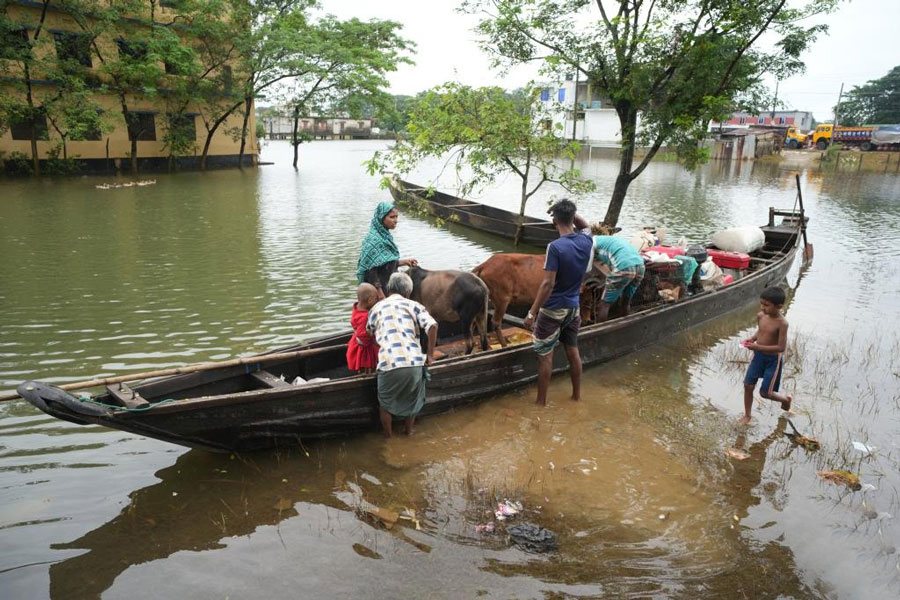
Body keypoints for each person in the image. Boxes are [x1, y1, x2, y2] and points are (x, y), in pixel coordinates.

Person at [524, 199, 593, 406]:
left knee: (546, 357)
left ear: (555, 221)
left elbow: (547, 284)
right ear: (572, 218)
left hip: (553, 309)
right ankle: (576, 396)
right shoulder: (586, 240)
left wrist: (531, 313)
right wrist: (569, 211)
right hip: (574, 308)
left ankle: (541, 403)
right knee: (573, 351)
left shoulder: (555, 247)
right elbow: (586, 225)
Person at [366, 272, 437, 437]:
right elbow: (433, 326)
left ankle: (389, 438)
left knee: (385, 404)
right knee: (413, 399)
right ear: (407, 292)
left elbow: (369, 333)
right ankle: (409, 432)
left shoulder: (376, 308)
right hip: (414, 362)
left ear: (389, 288)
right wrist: (430, 355)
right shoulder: (414, 306)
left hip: (389, 363)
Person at [739, 285, 792, 424]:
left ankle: (785, 400)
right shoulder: (761, 316)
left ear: (779, 307)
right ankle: (747, 415)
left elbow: (781, 347)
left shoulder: (782, 323)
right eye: (761, 303)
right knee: (748, 385)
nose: (763, 308)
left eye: (766, 305)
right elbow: (761, 331)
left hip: (772, 360)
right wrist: (752, 339)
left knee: (765, 393)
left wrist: (757, 346)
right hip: (758, 357)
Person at [357, 202, 418, 300]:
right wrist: (380, 295)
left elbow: (385, 264)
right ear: (381, 218)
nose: (396, 220)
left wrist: (405, 262)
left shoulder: (386, 236)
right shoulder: (373, 240)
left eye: (397, 217)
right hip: (378, 292)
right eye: (392, 217)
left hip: (389, 287)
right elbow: (371, 271)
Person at [592, 234, 646, 321]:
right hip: (640, 266)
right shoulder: (608, 241)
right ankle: (625, 324)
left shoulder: (591, 243)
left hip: (625, 267)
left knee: (604, 304)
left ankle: (600, 330)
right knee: (626, 301)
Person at [346, 283, 379, 374]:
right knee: (367, 369)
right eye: (376, 299)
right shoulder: (365, 317)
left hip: (356, 343)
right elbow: (363, 337)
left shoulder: (357, 308)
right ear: (370, 300)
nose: (377, 302)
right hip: (364, 350)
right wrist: (376, 341)